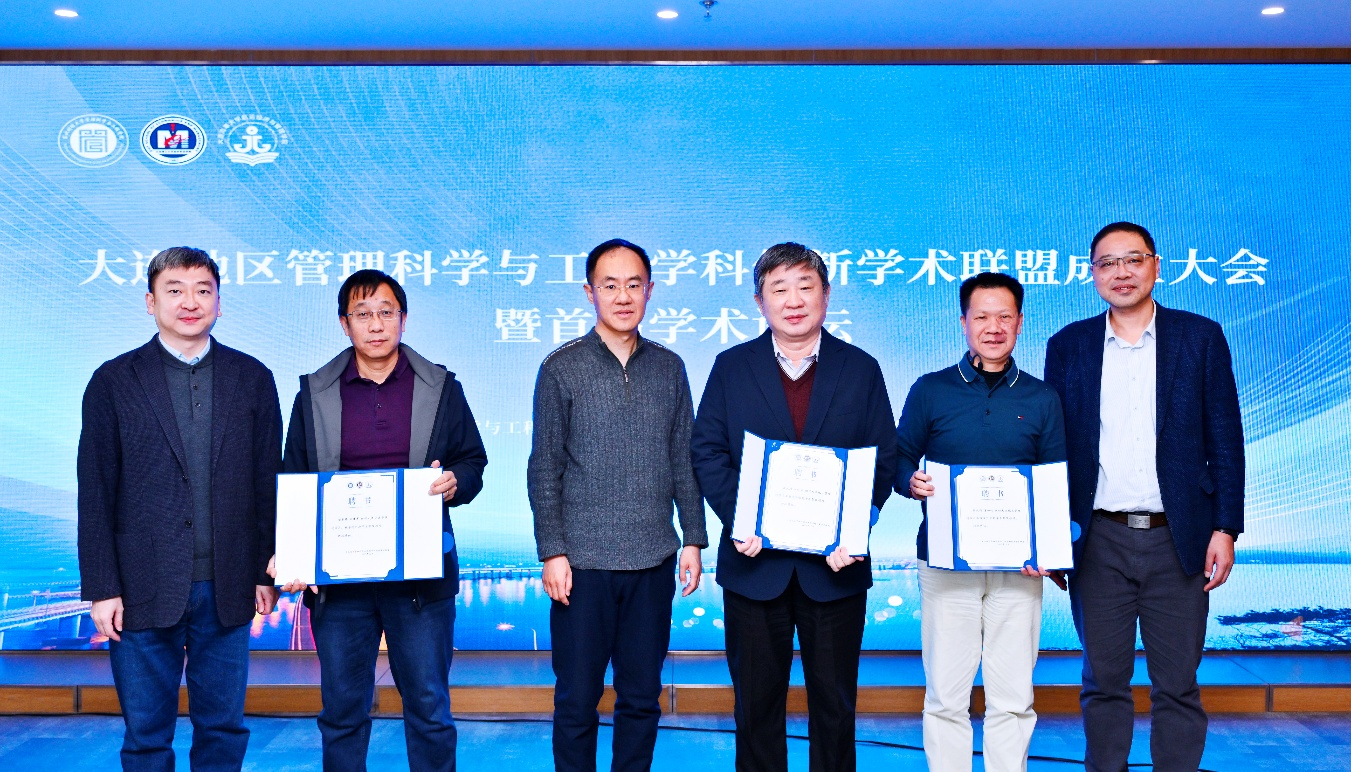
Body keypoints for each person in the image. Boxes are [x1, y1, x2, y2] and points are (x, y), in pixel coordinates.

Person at [1043, 222, 1244, 772]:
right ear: (1092, 274)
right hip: (1098, 538)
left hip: (1179, 538)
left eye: (1133, 260)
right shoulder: (1068, 345)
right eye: (1107, 263)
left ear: (1156, 266)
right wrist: (1050, 536)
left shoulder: (1199, 337)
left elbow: (1226, 438)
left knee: (1177, 684)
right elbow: (1052, 448)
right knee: (1103, 681)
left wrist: (1226, 527)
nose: (1122, 273)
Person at [690, 242, 897, 772]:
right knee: (755, 709)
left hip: (835, 571)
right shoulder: (732, 367)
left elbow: (882, 458)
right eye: (779, 289)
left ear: (826, 295)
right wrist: (742, 519)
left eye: (806, 286)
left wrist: (855, 529)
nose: (794, 300)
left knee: (836, 709)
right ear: (759, 302)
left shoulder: (861, 369)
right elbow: (707, 451)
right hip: (754, 568)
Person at [78, 247, 282, 771]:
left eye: (202, 290)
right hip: (139, 585)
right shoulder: (113, 381)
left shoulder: (252, 378)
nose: (190, 302)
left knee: (223, 729)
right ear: (150, 302)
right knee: (146, 735)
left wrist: (266, 571)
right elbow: (95, 490)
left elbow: (268, 482)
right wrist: (102, 587)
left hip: (228, 584)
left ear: (219, 303)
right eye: (174, 290)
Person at [276, 269, 488, 772]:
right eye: (363, 314)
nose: (376, 325)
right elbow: (294, 478)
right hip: (339, 587)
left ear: (403, 319)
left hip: (419, 583)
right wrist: (294, 557)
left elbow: (473, 462)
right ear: (344, 323)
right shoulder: (315, 393)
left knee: (430, 709)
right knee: (342, 713)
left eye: (386, 313)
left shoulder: (441, 387)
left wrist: (455, 481)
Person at [528, 238, 707, 772]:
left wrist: (693, 539)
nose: (623, 296)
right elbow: (544, 467)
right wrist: (552, 551)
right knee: (576, 699)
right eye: (610, 285)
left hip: (652, 559)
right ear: (590, 293)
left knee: (641, 698)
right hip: (581, 566)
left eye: (634, 285)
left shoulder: (670, 367)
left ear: (650, 290)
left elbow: (683, 458)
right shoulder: (561, 368)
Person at [895, 272, 1067, 772]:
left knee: (1013, 696)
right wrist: (910, 481)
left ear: (1020, 323)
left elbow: (1056, 480)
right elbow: (897, 458)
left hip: (1020, 569)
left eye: (1004, 317)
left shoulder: (1042, 398)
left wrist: (1051, 550)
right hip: (946, 564)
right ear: (964, 322)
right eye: (982, 316)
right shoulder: (930, 390)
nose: (994, 327)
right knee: (946, 695)